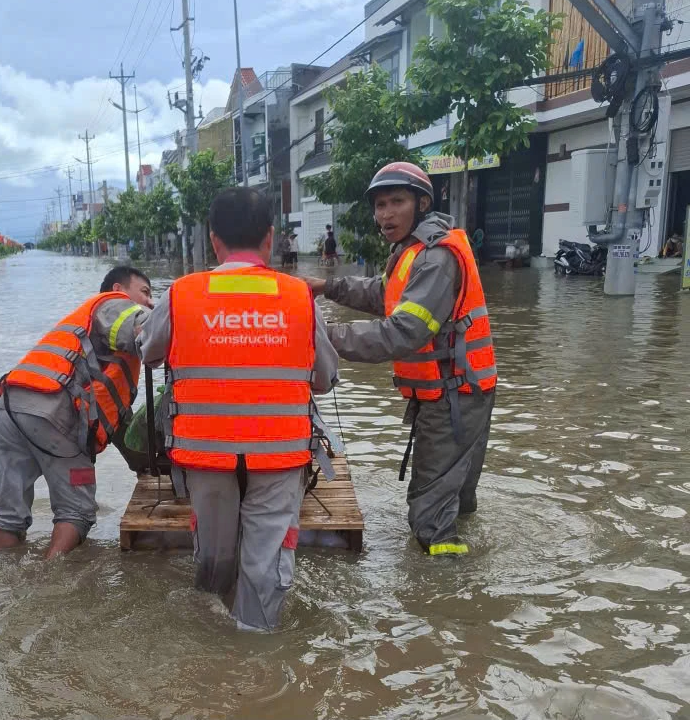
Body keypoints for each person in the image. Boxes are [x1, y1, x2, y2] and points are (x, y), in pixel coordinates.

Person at [139, 187, 339, 632]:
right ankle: (254, 658)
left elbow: (149, 353)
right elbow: (324, 378)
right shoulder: (298, 297)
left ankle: (211, 646)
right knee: (266, 566)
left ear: (214, 240)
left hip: (204, 456)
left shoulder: (183, 293)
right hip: (279, 457)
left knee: (214, 559)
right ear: (270, 239)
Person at [305, 162, 496, 557]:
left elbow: (403, 332)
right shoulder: (415, 251)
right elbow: (384, 293)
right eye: (379, 205)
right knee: (456, 501)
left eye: (396, 202)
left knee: (429, 518)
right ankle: (467, 575)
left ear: (422, 203)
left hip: (453, 399)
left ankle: (445, 597)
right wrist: (328, 287)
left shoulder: (435, 257)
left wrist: (321, 335)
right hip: (461, 392)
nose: (385, 214)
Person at [0, 265, 154, 558]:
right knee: (76, 512)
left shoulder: (86, 334)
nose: (150, 302)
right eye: (145, 292)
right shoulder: (115, 305)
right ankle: (52, 585)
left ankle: (3, 580)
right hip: (57, 414)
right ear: (119, 290)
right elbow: (149, 331)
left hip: (10, 408)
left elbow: (118, 425)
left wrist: (145, 464)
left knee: (9, 517)